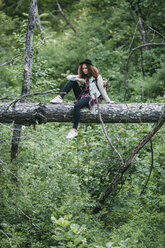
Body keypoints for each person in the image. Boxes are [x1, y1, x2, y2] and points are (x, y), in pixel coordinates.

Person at [50, 59, 115, 139]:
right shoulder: (83, 76)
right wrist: (79, 79)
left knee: (77, 105)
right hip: (82, 95)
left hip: (91, 98)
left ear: (90, 68)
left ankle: (74, 130)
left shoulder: (97, 77)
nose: (84, 70)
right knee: (72, 82)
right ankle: (60, 97)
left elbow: (102, 90)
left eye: (86, 68)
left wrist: (108, 101)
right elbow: (68, 77)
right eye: (83, 68)